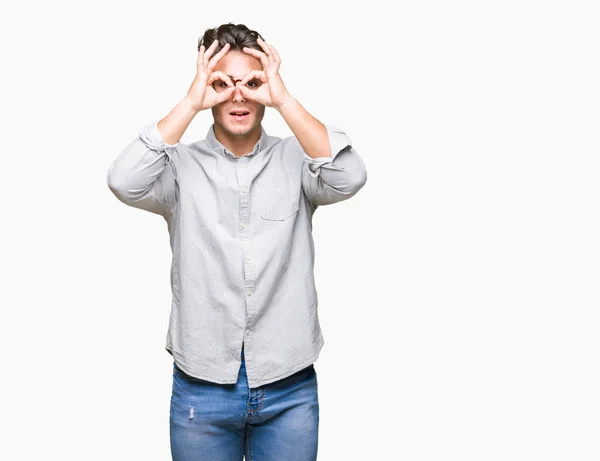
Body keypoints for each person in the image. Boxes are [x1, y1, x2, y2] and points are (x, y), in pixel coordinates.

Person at [106, 23, 367, 461]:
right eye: (222, 83)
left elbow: (350, 176)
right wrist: (190, 103)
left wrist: (284, 99)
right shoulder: (177, 167)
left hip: (289, 387)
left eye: (252, 82)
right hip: (202, 392)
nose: (239, 95)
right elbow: (123, 180)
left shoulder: (299, 158)